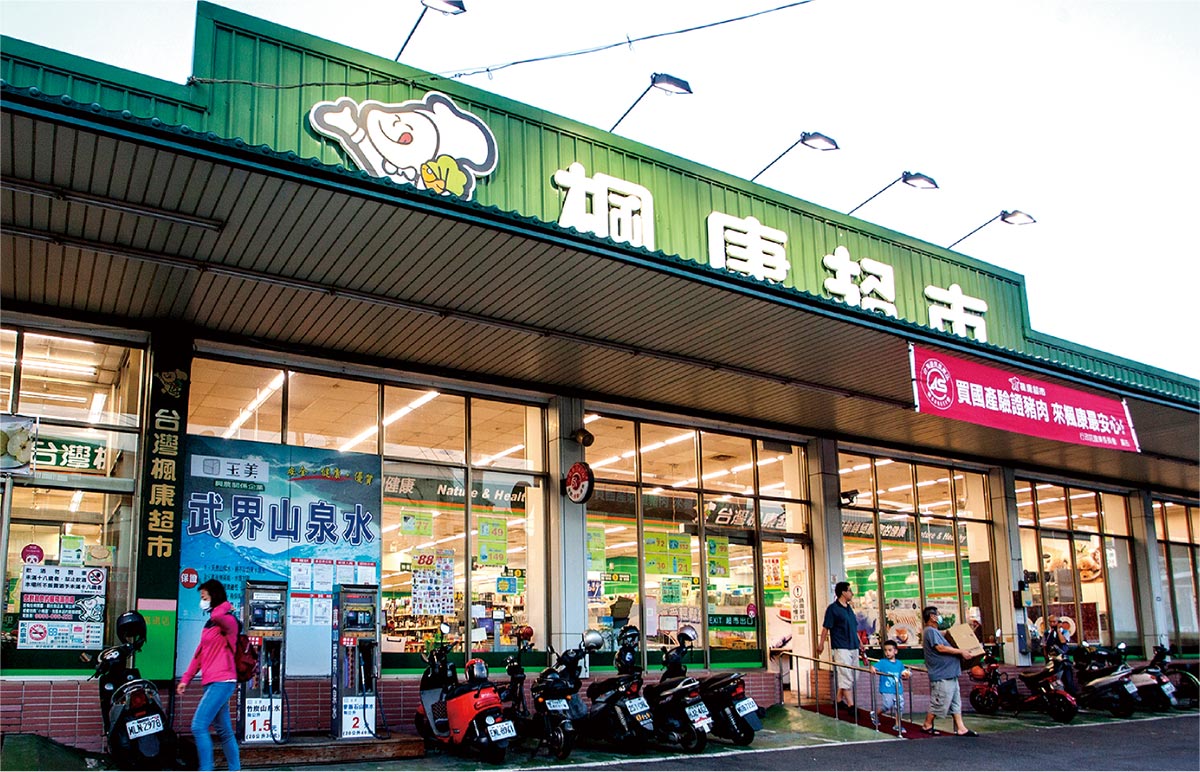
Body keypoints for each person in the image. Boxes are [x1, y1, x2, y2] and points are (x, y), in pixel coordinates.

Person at [177, 579, 242, 771]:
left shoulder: (228, 621)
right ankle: (235, 769)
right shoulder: (210, 624)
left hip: (223, 680)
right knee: (224, 731)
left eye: (204, 597)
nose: (202, 601)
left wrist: (224, 605)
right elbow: (199, 655)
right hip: (212, 681)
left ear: (214, 597)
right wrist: (186, 679)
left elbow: (219, 614)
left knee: (198, 725)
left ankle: (206, 769)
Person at [920, 605, 977, 736]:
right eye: (938, 614)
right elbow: (940, 648)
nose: (940, 617)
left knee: (955, 703)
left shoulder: (935, 632)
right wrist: (961, 651)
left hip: (950, 673)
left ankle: (961, 728)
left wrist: (967, 630)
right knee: (940, 701)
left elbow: (946, 633)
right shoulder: (929, 631)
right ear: (932, 617)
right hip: (942, 675)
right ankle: (927, 724)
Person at [815, 581, 865, 710]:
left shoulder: (849, 609)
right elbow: (826, 627)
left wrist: (860, 643)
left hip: (853, 645)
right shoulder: (833, 609)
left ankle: (838, 700)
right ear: (843, 592)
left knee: (854, 674)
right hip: (841, 646)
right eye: (850, 590)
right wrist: (821, 644)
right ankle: (851, 705)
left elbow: (854, 628)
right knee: (845, 674)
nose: (852, 593)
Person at [871, 639, 910, 729]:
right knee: (887, 705)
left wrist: (906, 675)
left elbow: (903, 673)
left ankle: (897, 724)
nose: (887, 652)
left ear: (895, 651)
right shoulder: (882, 662)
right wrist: (872, 668)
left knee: (899, 706)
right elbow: (874, 667)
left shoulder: (899, 663)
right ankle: (875, 714)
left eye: (890, 650)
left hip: (897, 689)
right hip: (887, 689)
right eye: (885, 650)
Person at [1043, 615, 1076, 695]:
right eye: (1050, 622)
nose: (1052, 624)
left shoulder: (1065, 632)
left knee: (1067, 678)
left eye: (1054, 622)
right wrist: (1046, 656)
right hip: (1052, 659)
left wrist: (1058, 630)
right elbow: (1044, 645)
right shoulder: (1047, 633)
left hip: (1063, 659)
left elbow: (1063, 641)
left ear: (1058, 622)